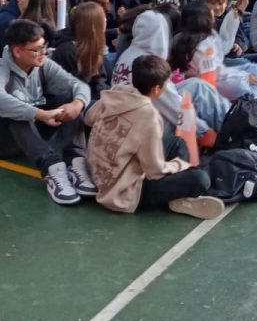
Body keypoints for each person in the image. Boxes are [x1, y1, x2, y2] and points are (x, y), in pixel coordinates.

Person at [85, 55, 222, 218]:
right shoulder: (149, 116)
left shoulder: (117, 92)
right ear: (156, 89)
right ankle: (179, 195)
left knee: (176, 142)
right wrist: (179, 165)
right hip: (124, 193)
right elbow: (154, 171)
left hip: (98, 175)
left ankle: (178, 193)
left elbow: (88, 118)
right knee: (201, 179)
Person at [0, 19, 96, 205]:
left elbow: (77, 84)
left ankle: (75, 162)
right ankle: (52, 168)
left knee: (68, 102)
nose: (44, 52)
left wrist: (77, 103)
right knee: (13, 111)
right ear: (18, 51)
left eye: (44, 46)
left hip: (30, 135)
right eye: (37, 49)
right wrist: (40, 114)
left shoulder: (43, 64)